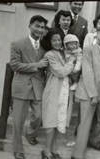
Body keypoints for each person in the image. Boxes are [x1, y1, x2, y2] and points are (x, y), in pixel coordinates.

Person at [10, 15, 48, 159]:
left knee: (38, 117)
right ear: (30, 25)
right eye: (37, 26)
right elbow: (14, 65)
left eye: (42, 27)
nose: (39, 29)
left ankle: (30, 133)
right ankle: (18, 150)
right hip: (22, 86)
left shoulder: (44, 48)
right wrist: (35, 66)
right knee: (18, 121)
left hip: (38, 86)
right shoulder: (17, 44)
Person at [71, 27, 100, 159]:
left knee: (93, 123)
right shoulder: (88, 49)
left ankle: (84, 149)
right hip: (88, 93)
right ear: (96, 37)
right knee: (85, 124)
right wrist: (93, 94)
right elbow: (87, 73)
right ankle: (77, 155)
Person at [41, 28, 76, 159]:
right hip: (53, 90)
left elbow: (70, 72)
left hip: (64, 91)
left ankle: (54, 150)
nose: (57, 42)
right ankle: (46, 151)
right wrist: (72, 63)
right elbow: (60, 72)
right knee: (50, 122)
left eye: (59, 39)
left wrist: (71, 65)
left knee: (58, 122)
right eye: (54, 40)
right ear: (49, 41)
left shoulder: (63, 53)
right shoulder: (49, 55)